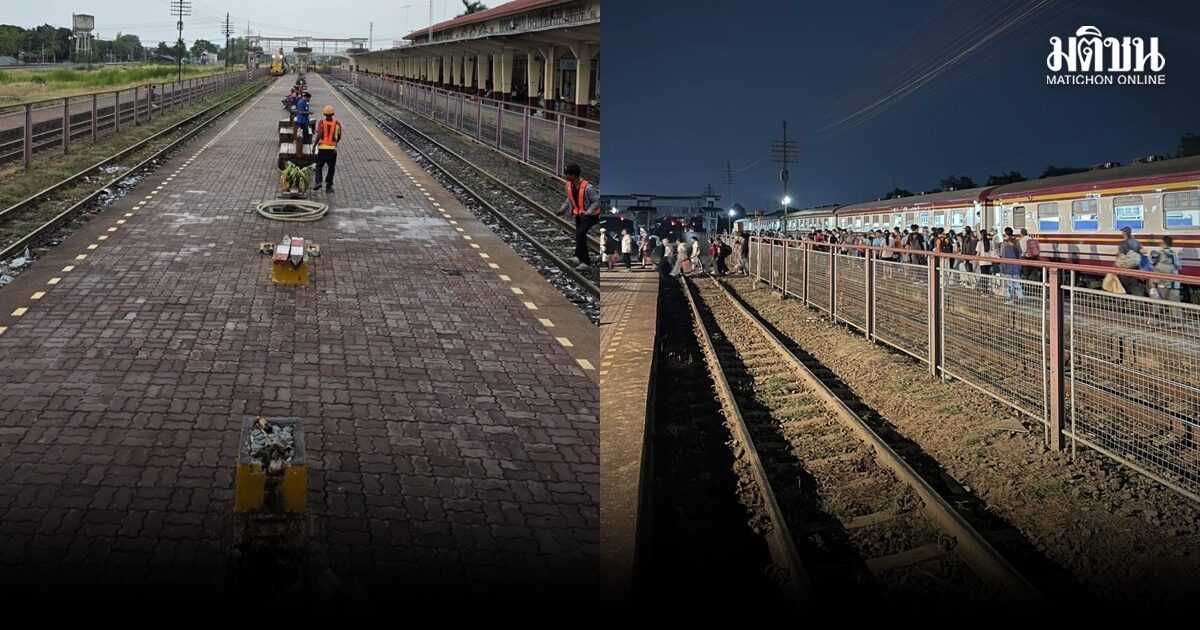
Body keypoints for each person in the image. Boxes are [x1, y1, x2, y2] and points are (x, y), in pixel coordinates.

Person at [561, 164, 600, 270]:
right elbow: (569, 198)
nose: (565, 176)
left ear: (573, 175)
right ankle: (578, 256)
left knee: (580, 233)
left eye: (567, 174)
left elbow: (597, 201)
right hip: (579, 215)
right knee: (579, 234)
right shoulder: (570, 185)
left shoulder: (588, 187)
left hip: (591, 216)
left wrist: (588, 211)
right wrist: (562, 209)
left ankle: (586, 262)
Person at [312, 105, 342, 193]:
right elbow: (339, 136)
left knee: (319, 166)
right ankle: (329, 187)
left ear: (324, 114)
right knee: (331, 168)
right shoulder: (337, 123)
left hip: (322, 149)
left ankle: (318, 182)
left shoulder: (321, 122)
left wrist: (314, 145)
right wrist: (335, 141)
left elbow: (319, 134)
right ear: (333, 114)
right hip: (332, 150)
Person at [1114, 226, 1146, 296]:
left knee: (1124, 288)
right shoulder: (1136, 242)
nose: (1121, 233)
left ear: (1125, 233)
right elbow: (1143, 251)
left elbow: (1120, 257)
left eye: (1122, 232)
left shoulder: (1123, 243)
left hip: (1125, 270)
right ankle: (1139, 302)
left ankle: (1124, 304)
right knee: (1134, 285)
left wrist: (1115, 266)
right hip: (1135, 268)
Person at [1149, 235, 1182, 301]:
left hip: (1162, 284)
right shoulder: (1174, 253)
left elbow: (1154, 265)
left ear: (1163, 243)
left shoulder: (1159, 253)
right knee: (1175, 306)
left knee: (1159, 304)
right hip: (1174, 284)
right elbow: (1178, 266)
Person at [1000, 227, 1025, 304]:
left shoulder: (1004, 243)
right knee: (1016, 282)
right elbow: (1020, 252)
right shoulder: (1016, 242)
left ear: (1005, 233)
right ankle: (1021, 297)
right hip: (1015, 266)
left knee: (1008, 284)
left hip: (1007, 266)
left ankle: (1009, 299)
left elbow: (1001, 254)